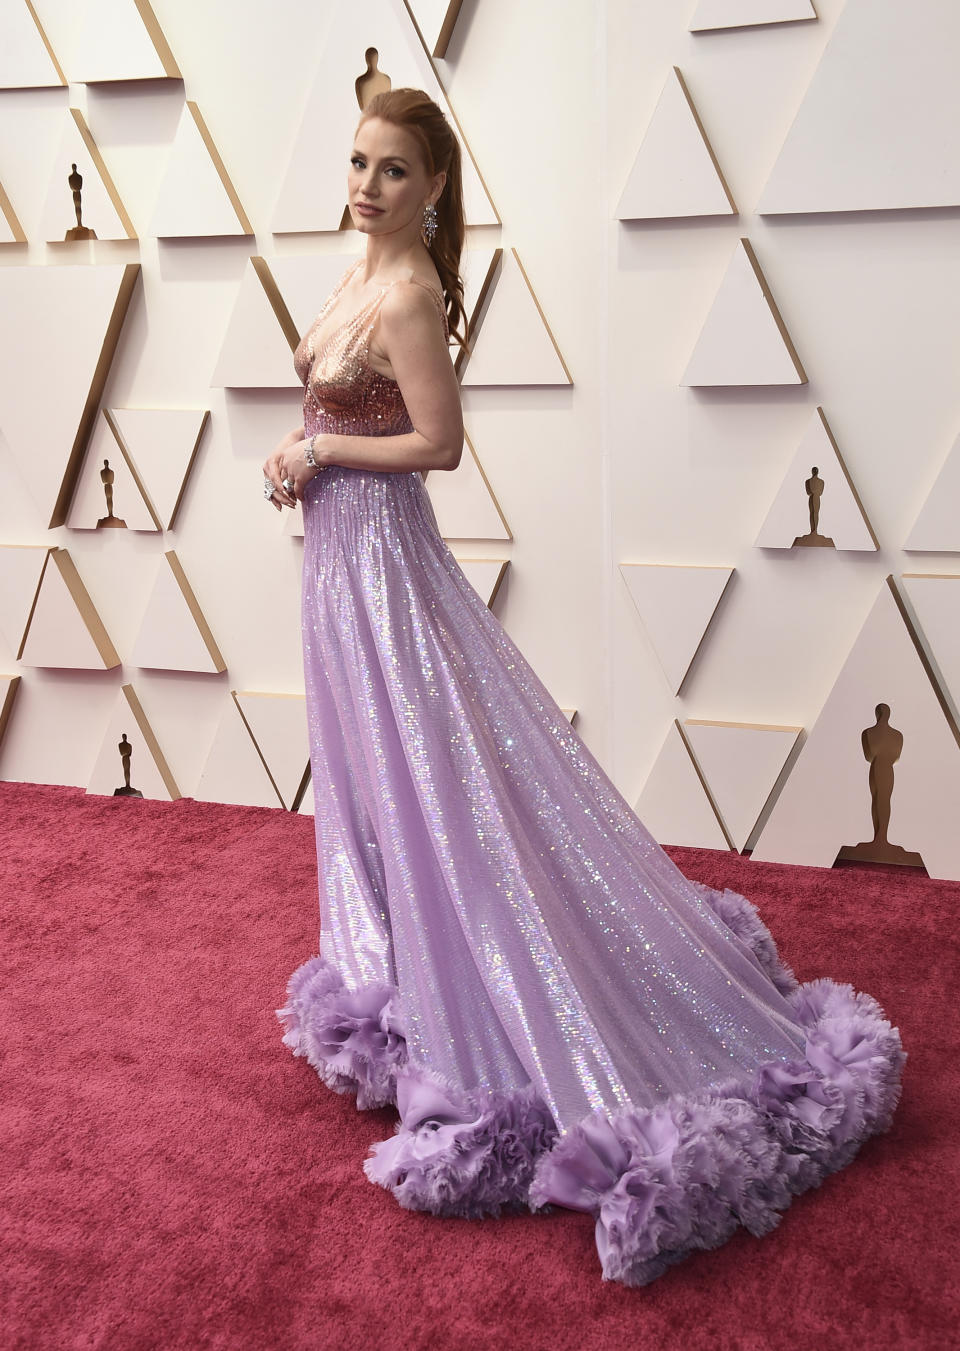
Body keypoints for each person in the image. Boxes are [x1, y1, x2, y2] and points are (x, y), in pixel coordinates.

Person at [266, 88, 904, 1289]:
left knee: (435, 780)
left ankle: (497, 995)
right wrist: (294, 449)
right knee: (372, 778)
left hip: (388, 563)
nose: (366, 185)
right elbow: (327, 402)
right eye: (359, 162)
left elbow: (438, 446)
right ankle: (413, 967)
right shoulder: (358, 269)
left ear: (434, 189)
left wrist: (321, 449)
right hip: (335, 567)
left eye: (394, 171)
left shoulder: (405, 294)